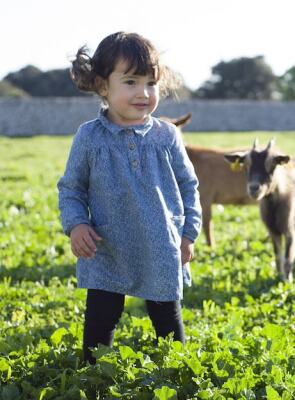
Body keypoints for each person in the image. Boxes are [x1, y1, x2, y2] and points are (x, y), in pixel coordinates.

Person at [57, 32, 201, 364]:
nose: (143, 93)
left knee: (167, 319)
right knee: (100, 321)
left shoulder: (167, 136)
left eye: (151, 83)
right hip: (106, 247)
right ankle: (93, 375)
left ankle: (176, 370)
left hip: (161, 246)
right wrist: (76, 224)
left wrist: (189, 233)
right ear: (103, 86)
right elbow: (72, 188)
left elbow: (189, 186)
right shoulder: (89, 136)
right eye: (131, 81)